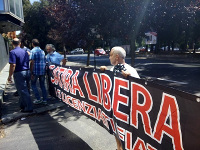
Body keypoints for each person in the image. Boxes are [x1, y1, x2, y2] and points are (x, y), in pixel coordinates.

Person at [100, 46, 140, 150]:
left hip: (125, 112)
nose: (109, 58)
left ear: (117, 57)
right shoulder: (112, 69)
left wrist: (130, 79)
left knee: (125, 135)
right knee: (116, 131)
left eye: (111, 55)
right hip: (114, 108)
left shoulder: (131, 71)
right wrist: (104, 73)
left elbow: (139, 91)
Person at [7, 38, 33, 113]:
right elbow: (30, 61)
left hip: (19, 73)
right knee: (26, 89)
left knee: (22, 90)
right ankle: (23, 105)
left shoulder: (12, 52)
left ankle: (28, 107)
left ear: (12, 43)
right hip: (27, 71)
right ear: (20, 43)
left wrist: (10, 76)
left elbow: (13, 65)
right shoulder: (25, 51)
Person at [30, 39, 47, 105]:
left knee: (33, 84)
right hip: (42, 71)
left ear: (32, 44)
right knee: (42, 85)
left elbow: (32, 62)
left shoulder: (33, 51)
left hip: (35, 71)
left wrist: (31, 72)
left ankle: (38, 99)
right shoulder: (42, 51)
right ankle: (45, 99)